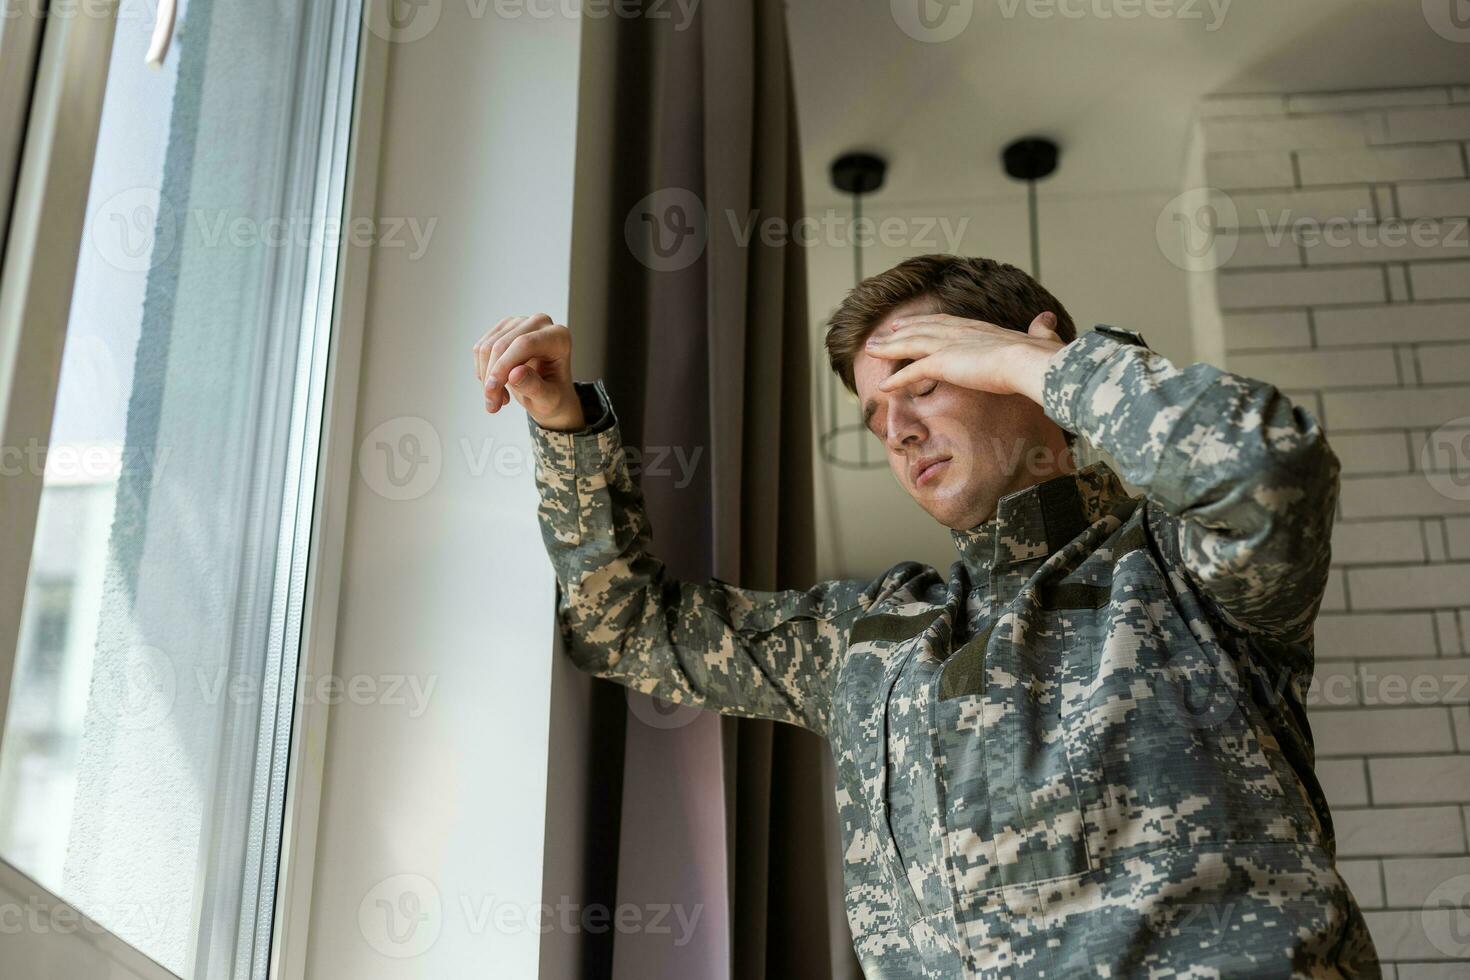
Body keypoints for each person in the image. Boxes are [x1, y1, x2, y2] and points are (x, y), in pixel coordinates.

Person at [472, 254, 1380, 978]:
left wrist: (1047, 365)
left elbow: (1270, 468)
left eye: (924, 380)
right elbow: (626, 627)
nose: (897, 430)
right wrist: (564, 424)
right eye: (876, 414)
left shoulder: (1183, 568)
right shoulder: (872, 635)